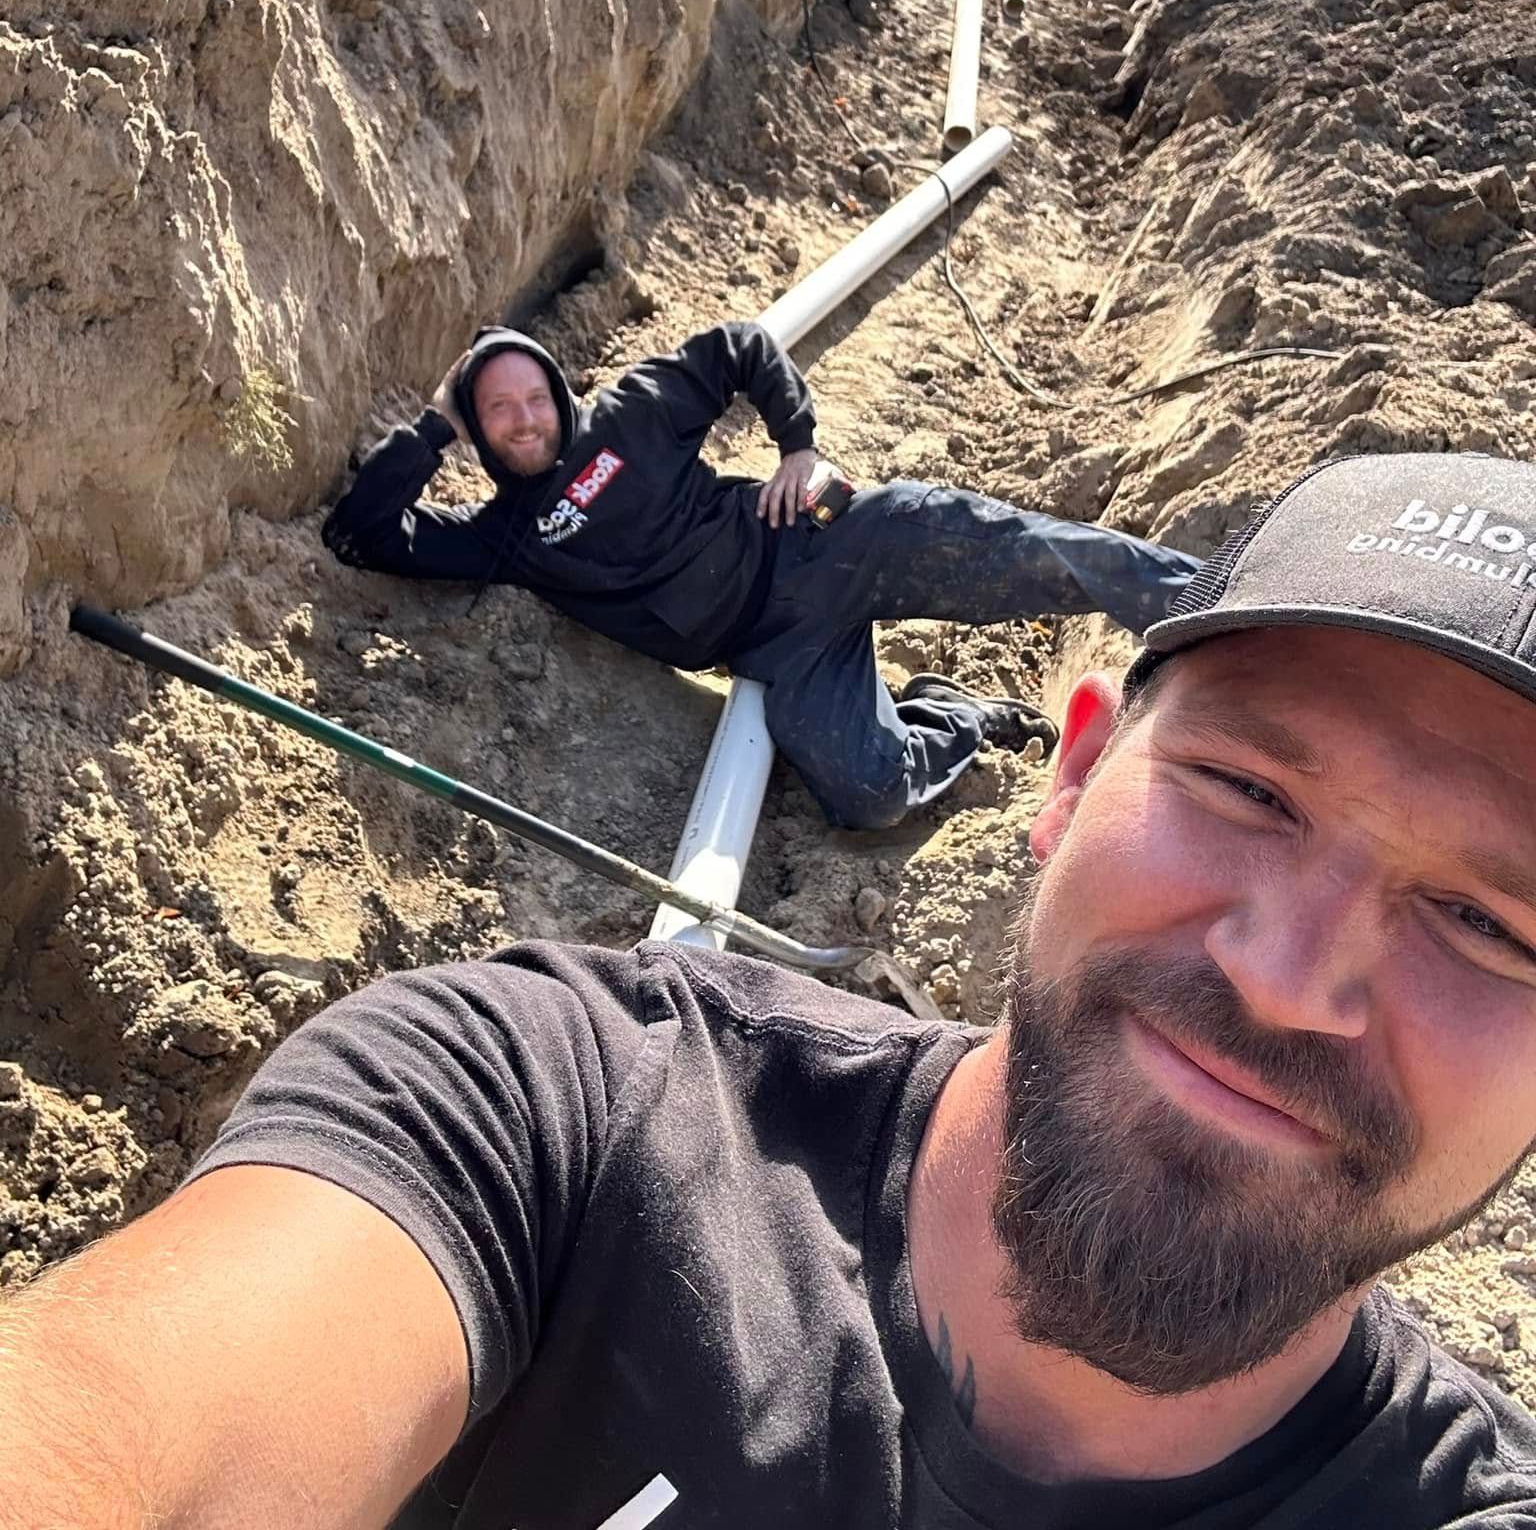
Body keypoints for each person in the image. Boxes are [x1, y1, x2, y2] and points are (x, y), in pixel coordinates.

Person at [9, 447, 1536, 1528]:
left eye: (1489, 922)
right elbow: (124, 1434)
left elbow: (740, 366)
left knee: (974, 598)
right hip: (771, 635)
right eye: (1249, 790)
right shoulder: (554, 1105)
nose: (1286, 976)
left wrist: (803, 447)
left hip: (829, 561)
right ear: (1073, 779)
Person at [320, 319, 1199, 829]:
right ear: (478, 427)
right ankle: (957, 715)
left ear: (558, 390)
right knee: (869, 796)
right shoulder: (504, 537)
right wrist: (433, 424)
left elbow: (740, 347)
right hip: (780, 649)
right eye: (496, 409)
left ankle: (1215, 595)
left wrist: (799, 445)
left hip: (830, 541)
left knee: (1041, 557)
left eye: (534, 396)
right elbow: (362, 535)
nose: (524, 418)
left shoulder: (630, 414)